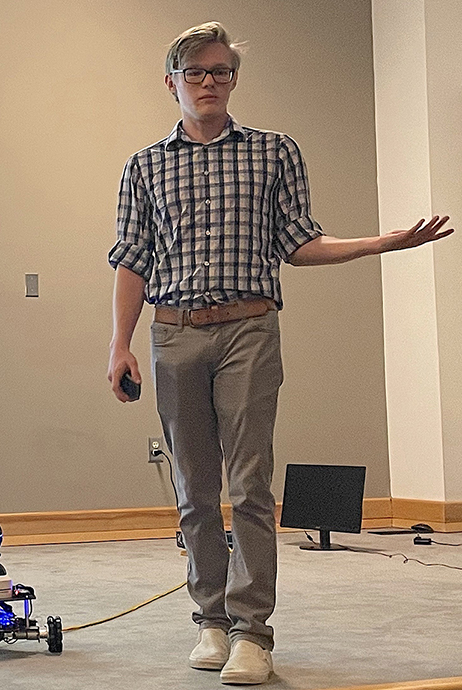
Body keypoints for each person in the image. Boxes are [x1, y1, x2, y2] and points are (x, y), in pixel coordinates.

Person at [106, 21, 452, 686]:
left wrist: (379, 245)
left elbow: (299, 243)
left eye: (221, 72)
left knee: (251, 487)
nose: (209, 83)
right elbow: (132, 261)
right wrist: (119, 344)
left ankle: (251, 633)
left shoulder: (273, 152)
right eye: (196, 72)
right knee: (194, 490)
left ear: (234, 79)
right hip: (173, 331)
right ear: (172, 81)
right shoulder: (144, 166)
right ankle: (209, 620)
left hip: (249, 330)